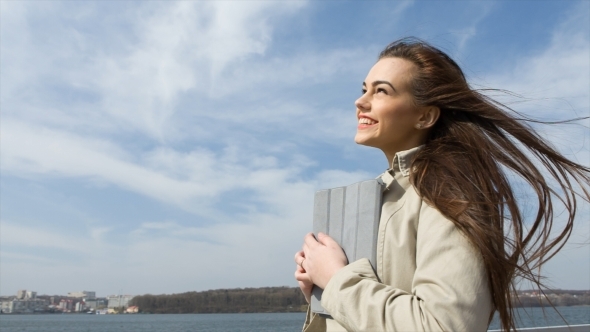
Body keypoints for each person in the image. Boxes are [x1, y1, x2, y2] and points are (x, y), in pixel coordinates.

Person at [293, 37, 590, 332]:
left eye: (381, 91)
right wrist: (324, 294)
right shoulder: (388, 196)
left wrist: (336, 280)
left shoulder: (450, 193)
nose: (360, 101)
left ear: (425, 116)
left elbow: (444, 326)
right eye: (364, 89)